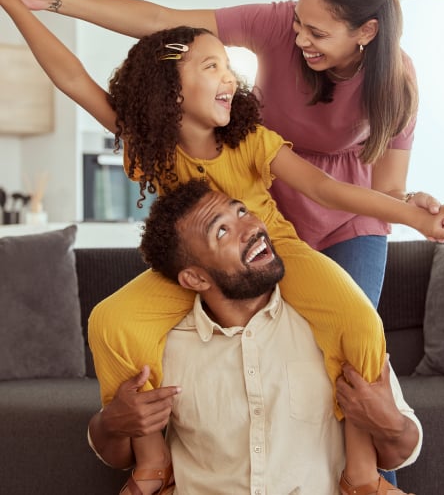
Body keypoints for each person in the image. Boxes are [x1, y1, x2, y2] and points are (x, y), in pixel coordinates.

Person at [0, 0, 444, 492]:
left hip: (280, 246)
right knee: (111, 323)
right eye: (211, 67)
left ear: (365, 32)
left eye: (226, 64)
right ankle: (151, 467)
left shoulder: (250, 140)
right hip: (196, 264)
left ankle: (361, 472)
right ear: (172, 95)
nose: (232, 77)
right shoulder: (150, 147)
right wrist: (18, 2)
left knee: (358, 321)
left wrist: (414, 215)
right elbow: (75, 78)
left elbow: (325, 189)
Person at [10, 0, 444, 307]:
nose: (300, 39)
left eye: (318, 34)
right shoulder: (205, 138)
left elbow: (341, 189)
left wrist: (414, 211)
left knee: (351, 328)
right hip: (262, 218)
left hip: (344, 215)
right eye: (299, 23)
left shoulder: (391, 85)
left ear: (366, 32)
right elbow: (156, 26)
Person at [88, 178, 421, 494]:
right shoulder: (162, 346)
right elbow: (119, 456)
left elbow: (399, 451)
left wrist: (390, 423)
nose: (251, 228)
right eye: (222, 231)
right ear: (195, 278)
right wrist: (110, 424)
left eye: (242, 211)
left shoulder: (331, 326)